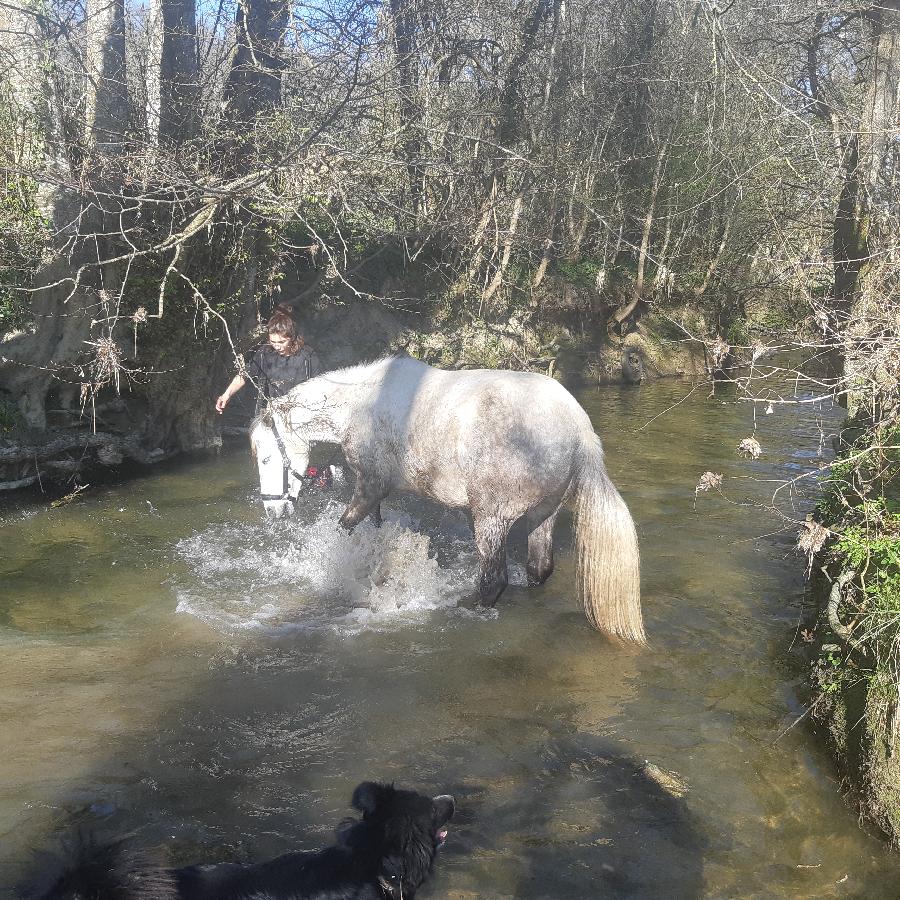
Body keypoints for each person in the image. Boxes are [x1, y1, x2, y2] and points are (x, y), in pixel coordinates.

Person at [216, 304, 321, 416]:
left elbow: (319, 386)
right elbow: (244, 375)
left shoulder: (307, 356)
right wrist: (226, 395)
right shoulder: (265, 353)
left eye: (282, 342)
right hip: (272, 410)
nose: (277, 346)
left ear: (292, 338)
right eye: (273, 342)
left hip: (302, 411)